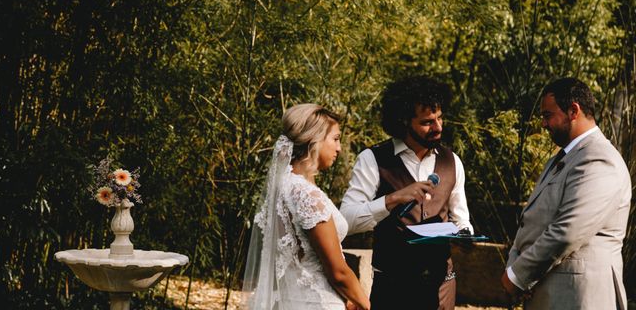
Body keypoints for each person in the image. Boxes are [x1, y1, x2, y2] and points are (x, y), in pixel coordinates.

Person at [340, 76, 473, 310]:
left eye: (440, 118)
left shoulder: (453, 161)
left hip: (441, 289)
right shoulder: (373, 160)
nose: (438, 127)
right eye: (427, 122)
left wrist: (465, 234)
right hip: (393, 288)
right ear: (403, 121)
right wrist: (391, 200)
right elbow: (347, 221)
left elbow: (461, 218)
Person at [501, 77, 631, 309]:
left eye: (547, 115)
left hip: (578, 297)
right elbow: (531, 223)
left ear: (573, 111)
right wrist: (516, 268)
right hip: (547, 293)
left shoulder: (600, 159)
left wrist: (517, 276)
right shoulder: (561, 159)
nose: (543, 124)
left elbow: (568, 231)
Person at [243, 103, 371, 310]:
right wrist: (365, 303)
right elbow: (338, 272)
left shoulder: (283, 186)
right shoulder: (306, 195)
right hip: (317, 302)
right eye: (336, 139)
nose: (339, 148)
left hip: (289, 299)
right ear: (315, 140)